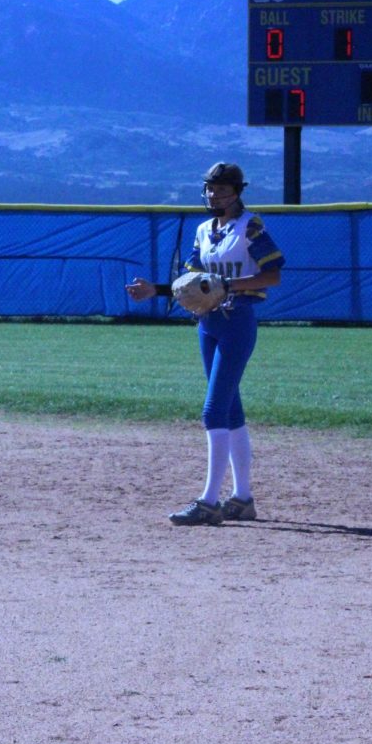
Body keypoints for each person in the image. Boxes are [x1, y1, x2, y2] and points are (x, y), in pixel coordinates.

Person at [126, 162, 285, 526]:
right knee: (230, 413)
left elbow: (273, 275)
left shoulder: (251, 227)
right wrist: (157, 290)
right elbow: (194, 283)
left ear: (237, 191)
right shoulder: (203, 230)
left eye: (222, 189)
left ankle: (209, 502)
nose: (214, 195)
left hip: (237, 321)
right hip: (207, 322)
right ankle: (242, 499)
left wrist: (230, 285)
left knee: (213, 411)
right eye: (210, 189)